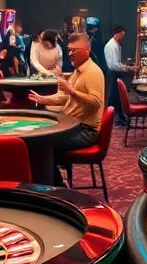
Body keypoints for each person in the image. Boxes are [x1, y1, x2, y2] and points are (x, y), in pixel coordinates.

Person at [29, 33, 105, 186]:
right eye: (69, 50)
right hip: (74, 127)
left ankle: (58, 189)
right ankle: (52, 185)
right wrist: (43, 99)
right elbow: (67, 97)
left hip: (86, 131)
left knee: (42, 147)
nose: (70, 54)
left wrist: (71, 91)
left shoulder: (93, 72)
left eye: (74, 50)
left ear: (86, 50)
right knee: (40, 143)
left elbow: (95, 102)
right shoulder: (78, 71)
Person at [104, 25, 137, 127]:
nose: (123, 37)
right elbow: (114, 65)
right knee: (113, 96)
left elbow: (118, 63)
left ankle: (119, 116)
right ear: (117, 33)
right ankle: (111, 117)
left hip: (116, 72)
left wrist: (126, 67)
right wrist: (128, 68)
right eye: (122, 34)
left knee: (117, 96)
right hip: (113, 73)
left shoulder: (116, 45)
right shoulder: (111, 46)